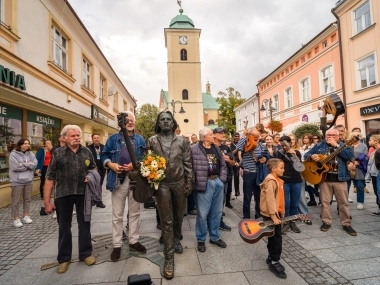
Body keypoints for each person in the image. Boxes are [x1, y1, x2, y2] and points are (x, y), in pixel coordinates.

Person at [44, 125, 97, 274]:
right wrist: (47, 202)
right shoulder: (58, 154)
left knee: (85, 224)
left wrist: (91, 176)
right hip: (63, 194)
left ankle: (85, 254)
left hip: (83, 194)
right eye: (73, 136)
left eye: (78, 135)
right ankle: (64, 259)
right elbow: (49, 177)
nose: (76, 138)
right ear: (64, 138)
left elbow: (93, 168)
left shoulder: (86, 151)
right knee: (64, 227)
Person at [146, 110, 193, 279]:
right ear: (158, 123)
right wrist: (150, 184)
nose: (166, 122)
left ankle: (177, 238)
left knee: (179, 216)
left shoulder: (182, 141)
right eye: (162, 120)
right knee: (166, 220)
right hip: (162, 184)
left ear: (173, 123)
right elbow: (148, 163)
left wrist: (190, 182)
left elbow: (188, 163)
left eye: (168, 119)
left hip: (179, 183)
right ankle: (169, 258)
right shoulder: (152, 140)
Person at [101, 111, 147, 262]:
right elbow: (104, 155)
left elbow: (146, 158)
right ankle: (117, 244)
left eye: (132, 120)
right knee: (117, 215)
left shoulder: (140, 139)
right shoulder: (113, 138)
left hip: (135, 179)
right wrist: (110, 164)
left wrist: (135, 166)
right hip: (117, 179)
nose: (130, 122)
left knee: (134, 213)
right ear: (122, 122)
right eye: (127, 120)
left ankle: (134, 240)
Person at [304, 128, 357, 236]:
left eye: (333, 135)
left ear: (338, 137)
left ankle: (346, 223)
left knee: (343, 203)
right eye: (329, 135)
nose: (331, 137)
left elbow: (349, 156)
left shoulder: (344, 145)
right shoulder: (319, 145)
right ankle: (326, 222)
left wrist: (336, 145)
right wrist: (311, 156)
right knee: (325, 202)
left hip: (340, 178)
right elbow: (306, 155)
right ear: (325, 136)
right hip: (324, 179)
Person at [192, 128, 227, 253]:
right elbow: (189, 166)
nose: (213, 136)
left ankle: (214, 237)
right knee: (202, 214)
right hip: (203, 183)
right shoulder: (194, 149)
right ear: (204, 137)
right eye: (211, 135)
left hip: (217, 182)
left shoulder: (216, 148)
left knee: (216, 212)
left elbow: (223, 164)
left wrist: (222, 179)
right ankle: (201, 239)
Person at [260, 158, 286, 279]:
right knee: (276, 238)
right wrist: (274, 216)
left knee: (273, 236)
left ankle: (271, 257)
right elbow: (270, 200)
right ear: (273, 169)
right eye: (281, 168)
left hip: (276, 213)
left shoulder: (277, 180)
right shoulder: (270, 181)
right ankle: (274, 261)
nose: (283, 170)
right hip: (272, 214)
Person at [237, 128, 269, 219]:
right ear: (250, 136)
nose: (257, 138)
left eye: (258, 136)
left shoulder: (261, 145)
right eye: (254, 137)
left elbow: (266, 154)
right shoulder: (245, 144)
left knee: (258, 197)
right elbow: (238, 147)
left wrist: (265, 159)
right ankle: (246, 217)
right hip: (248, 173)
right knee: (247, 197)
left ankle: (258, 216)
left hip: (258, 173)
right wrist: (244, 136)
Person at [274, 136, 303, 234]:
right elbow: (276, 166)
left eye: (285, 144)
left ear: (290, 143)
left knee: (294, 204)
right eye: (282, 145)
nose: (284, 147)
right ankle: (286, 223)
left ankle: (293, 222)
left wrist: (294, 155)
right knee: (285, 204)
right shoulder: (279, 153)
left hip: (296, 181)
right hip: (284, 181)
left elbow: (300, 167)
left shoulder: (297, 152)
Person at [9, 139, 37, 228]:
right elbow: (15, 167)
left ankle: (26, 216)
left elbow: (35, 164)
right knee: (16, 201)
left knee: (27, 199)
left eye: (28, 143)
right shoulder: (13, 154)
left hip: (28, 180)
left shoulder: (31, 154)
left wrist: (22, 164)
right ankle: (16, 219)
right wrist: (28, 164)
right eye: (25, 143)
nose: (27, 145)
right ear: (20, 144)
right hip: (17, 181)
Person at [213, 128, 233, 231]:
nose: (223, 134)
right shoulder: (211, 147)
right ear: (214, 135)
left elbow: (233, 162)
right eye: (220, 133)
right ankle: (211, 223)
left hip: (225, 178)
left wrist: (229, 160)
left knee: (221, 201)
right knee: (212, 202)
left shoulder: (226, 147)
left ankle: (219, 222)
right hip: (213, 178)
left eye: (223, 132)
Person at [347, 132, 368, 209]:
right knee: (346, 186)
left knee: (359, 186)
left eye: (357, 136)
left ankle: (360, 202)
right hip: (348, 167)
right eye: (353, 136)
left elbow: (365, 156)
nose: (355, 137)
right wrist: (350, 163)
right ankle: (344, 201)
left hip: (359, 168)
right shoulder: (347, 145)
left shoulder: (363, 146)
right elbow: (344, 155)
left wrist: (356, 163)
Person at [299, 133, 319, 206]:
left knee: (310, 184)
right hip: (304, 166)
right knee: (307, 184)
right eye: (304, 138)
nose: (305, 139)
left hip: (311, 166)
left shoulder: (314, 147)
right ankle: (313, 200)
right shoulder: (302, 147)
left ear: (310, 139)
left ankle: (317, 196)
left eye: (306, 138)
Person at [87, 133, 106, 208]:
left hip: (102, 169)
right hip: (92, 170)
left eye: (97, 138)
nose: (96, 139)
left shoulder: (104, 147)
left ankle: (99, 201)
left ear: (99, 138)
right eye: (95, 138)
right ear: (92, 139)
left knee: (99, 185)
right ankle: (92, 199)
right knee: (92, 185)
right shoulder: (88, 148)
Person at [35, 140, 53, 215]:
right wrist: (38, 168)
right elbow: (37, 159)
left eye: (49, 143)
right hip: (44, 167)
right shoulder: (42, 150)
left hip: (51, 167)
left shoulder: (53, 150)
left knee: (50, 181)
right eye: (46, 143)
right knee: (43, 181)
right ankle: (42, 195)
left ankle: (49, 193)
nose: (47, 144)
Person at [367, 135, 380, 216]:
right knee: (376, 192)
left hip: (377, 174)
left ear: (376, 141)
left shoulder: (378, 151)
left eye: (370, 140)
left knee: (378, 192)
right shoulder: (374, 151)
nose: (368, 141)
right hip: (374, 174)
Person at [229, 132, 241, 196]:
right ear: (234, 137)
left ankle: (238, 190)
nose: (237, 137)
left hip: (241, 161)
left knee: (241, 176)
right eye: (236, 136)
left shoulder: (242, 143)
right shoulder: (232, 144)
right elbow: (231, 153)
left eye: (238, 136)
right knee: (235, 176)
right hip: (235, 161)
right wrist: (237, 149)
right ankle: (235, 191)